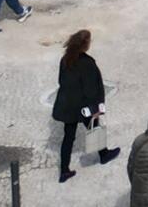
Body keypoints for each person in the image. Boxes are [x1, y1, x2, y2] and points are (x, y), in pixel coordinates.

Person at [53, 29, 115, 183]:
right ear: (85, 45)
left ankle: (64, 170)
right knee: (94, 127)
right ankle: (104, 154)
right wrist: (96, 108)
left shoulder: (65, 59)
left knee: (68, 137)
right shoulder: (87, 63)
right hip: (83, 105)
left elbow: (61, 81)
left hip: (68, 104)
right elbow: (92, 89)